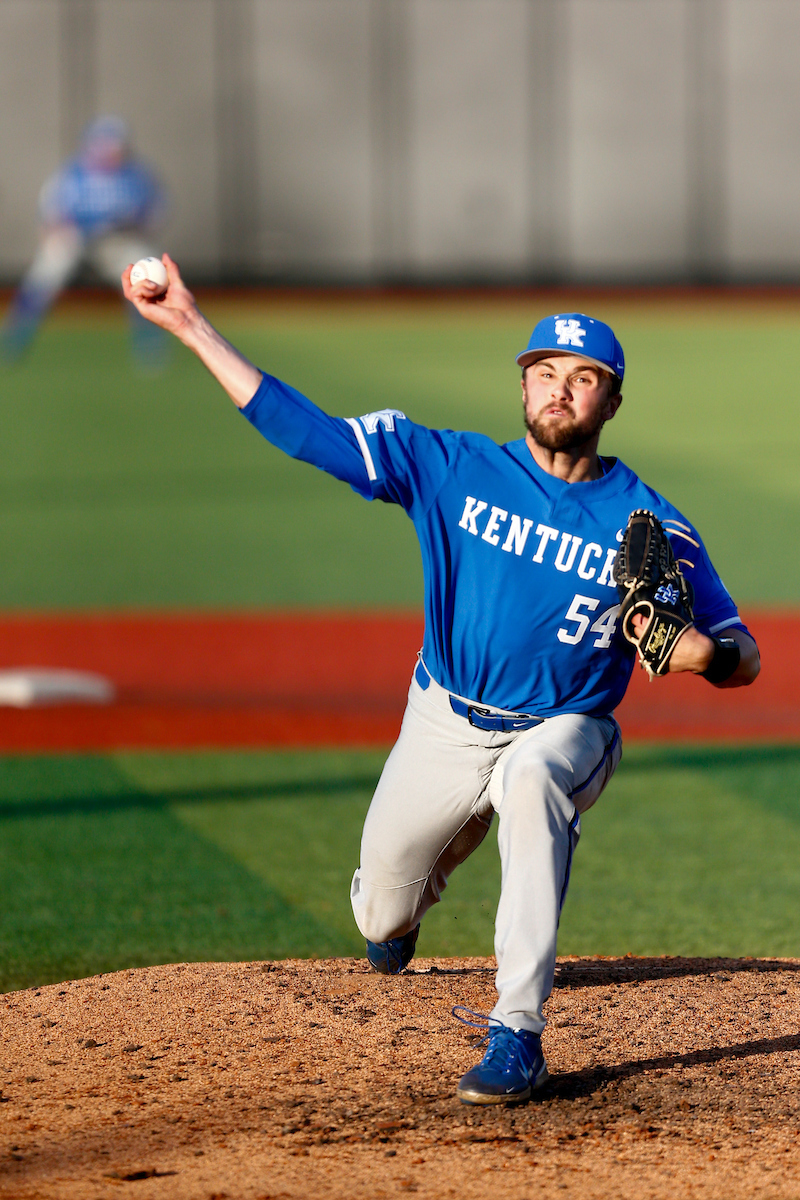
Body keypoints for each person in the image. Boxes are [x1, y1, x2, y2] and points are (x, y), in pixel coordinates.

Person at [123, 258, 760, 1105]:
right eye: (543, 374)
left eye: (583, 378)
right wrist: (191, 326)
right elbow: (309, 432)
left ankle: (518, 1034)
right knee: (379, 921)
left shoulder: (650, 524)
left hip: (568, 729)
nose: (559, 391)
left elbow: (740, 650)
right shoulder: (451, 468)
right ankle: (433, 870)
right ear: (523, 387)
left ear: (611, 401)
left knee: (531, 780)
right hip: (444, 720)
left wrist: (707, 657)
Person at [2, 116, 166, 366]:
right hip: (74, 238)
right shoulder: (73, 174)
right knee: (43, 277)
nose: (112, 151)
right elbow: (49, 216)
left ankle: (150, 345)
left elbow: (155, 214)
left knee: (145, 277)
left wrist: (130, 226)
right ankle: (14, 340)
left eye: (115, 145)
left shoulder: (137, 176)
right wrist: (61, 231)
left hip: (116, 241)